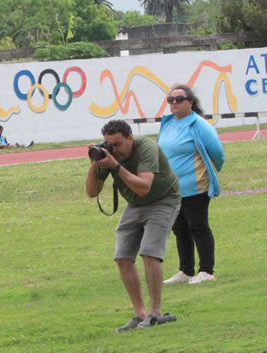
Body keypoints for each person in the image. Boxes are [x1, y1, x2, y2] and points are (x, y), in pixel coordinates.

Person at [85, 119, 181, 332]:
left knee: (149, 253)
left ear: (130, 138)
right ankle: (140, 314)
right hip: (135, 204)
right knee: (122, 257)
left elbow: (144, 187)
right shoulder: (108, 155)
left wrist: (115, 166)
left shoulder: (146, 147)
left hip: (163, 200)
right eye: (109, 144)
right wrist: (95, 164)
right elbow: (92, 192)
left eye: (118, 144)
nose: (114, 149)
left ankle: (155, 313)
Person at [157, 84, 225, 285]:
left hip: (195, 187)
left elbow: (217, 153)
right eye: (171, 100)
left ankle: (206, 271)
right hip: (171, 189)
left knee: (198, 226)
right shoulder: (168, 123)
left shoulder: (199, 124)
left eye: (179, 99)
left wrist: (209, 172)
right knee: (179, 229)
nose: (174, 103)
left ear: (191, 102)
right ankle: (186, 271)